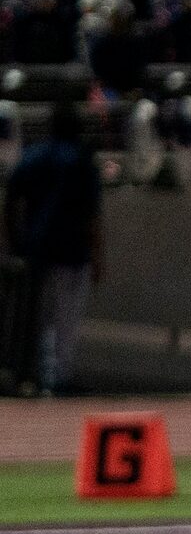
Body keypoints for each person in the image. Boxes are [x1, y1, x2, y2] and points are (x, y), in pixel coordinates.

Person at [6, 102, 102, 397]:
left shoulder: (35, 156)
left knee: (39, 317)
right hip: (71, 252)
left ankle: (34, 374)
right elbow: (92, 217)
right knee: (65, 319)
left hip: (38, 248)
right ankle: (57, 377)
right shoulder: (81, 161)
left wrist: (16, 239)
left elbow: (12, 196)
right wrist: (99, 257)